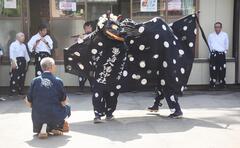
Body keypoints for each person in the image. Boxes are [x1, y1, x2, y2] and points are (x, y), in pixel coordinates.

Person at [25, 57, 71, 139]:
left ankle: (43, 127)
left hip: (38, 117)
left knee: (29, 101)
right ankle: (56, 126)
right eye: (55, 65)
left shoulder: (35, 81)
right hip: (54, 115)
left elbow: (28, 101)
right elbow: (63, 100)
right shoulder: (58, 81)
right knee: (67, 105)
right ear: (52, 66)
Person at [208, 22, 229, 89]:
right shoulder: (211, 35)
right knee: (213, 70)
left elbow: (226, 44)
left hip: (221, 54)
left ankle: (222, 84)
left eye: (218, 27)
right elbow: (209, 45)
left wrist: (225, 51)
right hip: (213, 54)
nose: (217, 28)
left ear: (221, 27)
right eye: (216, 27)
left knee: (222, 69)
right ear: (214, 28)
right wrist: (210, 55)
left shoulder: (224, 34)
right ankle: (212, 84)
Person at [78, 21, 93, 91]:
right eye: (87, 28)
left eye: (90, 27)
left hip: (91, 57)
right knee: (81, 73)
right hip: (82, 57)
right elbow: (78, 45)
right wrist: (80, 39)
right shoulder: (82, 36)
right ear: (84, 29)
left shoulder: (94, 35)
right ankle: (81, 89)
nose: (88, 29)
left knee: (91, 73)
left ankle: (93, 88)